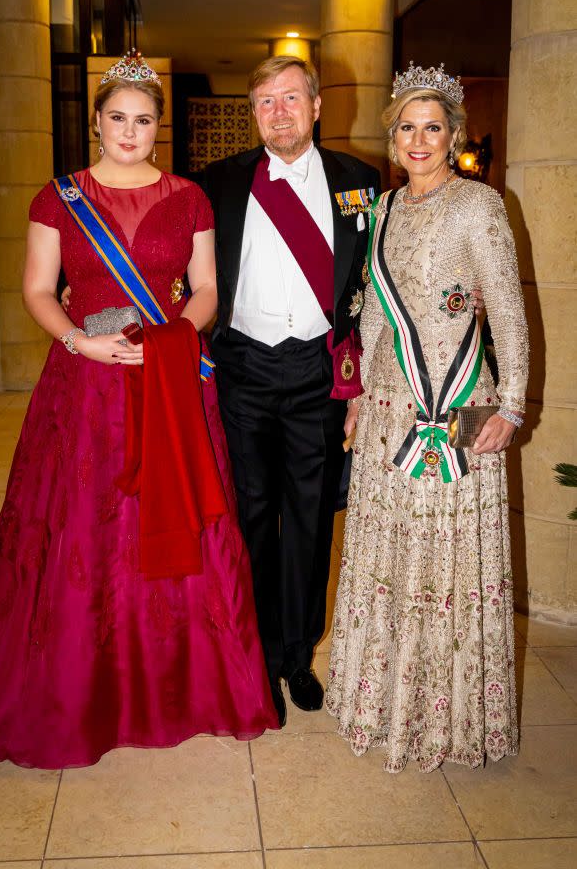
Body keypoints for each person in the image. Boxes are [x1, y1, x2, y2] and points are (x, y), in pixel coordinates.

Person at [0, 52, 278, 768]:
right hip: (84, 384)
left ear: (156, 129)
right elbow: (38, 290)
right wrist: (80, 342)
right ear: (96, 123)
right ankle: (78, 684)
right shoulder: (59, 199)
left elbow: (204, 290)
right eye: (118, 118)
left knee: (173, 513)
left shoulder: (190, 197)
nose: (130, 131)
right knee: (83, 521)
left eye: (143, 121)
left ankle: (183, 684)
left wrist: (176, 338)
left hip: (170, 380)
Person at [326, 62, 529, 772]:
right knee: (391, 549)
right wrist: (355, 400)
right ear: (392, 136)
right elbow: (376, 314)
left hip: (461, 402)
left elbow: (505, 308)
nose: (418, 140)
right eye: (406, 127)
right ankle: (384, 701)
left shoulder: (478, 205)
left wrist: (511, 404)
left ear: (453, 136)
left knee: (449, 555)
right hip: (387, 405)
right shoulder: (381, 210)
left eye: (432, 127)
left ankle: (448, 712)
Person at [200, 55, 381, 726]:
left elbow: (373, 285)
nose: (278, 111)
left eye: (290, 98)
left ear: (316, 104)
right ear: (253, 113)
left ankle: (297, 656)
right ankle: (256, 652)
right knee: (250, 519)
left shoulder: (359, 181)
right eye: (264, 102)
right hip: (242, 371)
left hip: (316, 374)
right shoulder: (217, 183)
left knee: (307, 520)